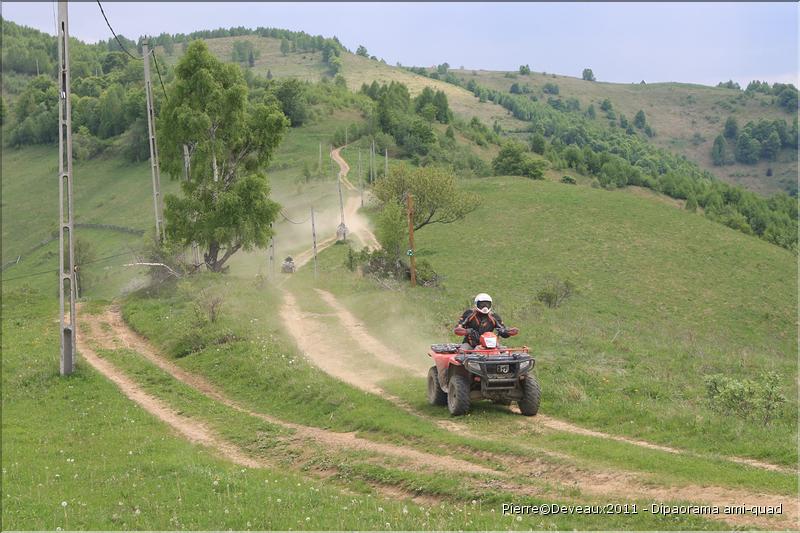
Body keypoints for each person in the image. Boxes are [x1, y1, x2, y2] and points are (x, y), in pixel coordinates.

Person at [453, 293, 518, 349]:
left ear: (490, 305)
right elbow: (458, 328)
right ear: (476, 304)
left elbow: (503, 330)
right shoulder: (469, 314)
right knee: (462, 352)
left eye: (487, 304)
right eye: (482, 304)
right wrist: (467, 331)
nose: (485, 307)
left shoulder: (494, 316)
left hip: (490, 345)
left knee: (505, 351)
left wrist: (508, 332)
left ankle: (506, 363)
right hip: (470, 344)